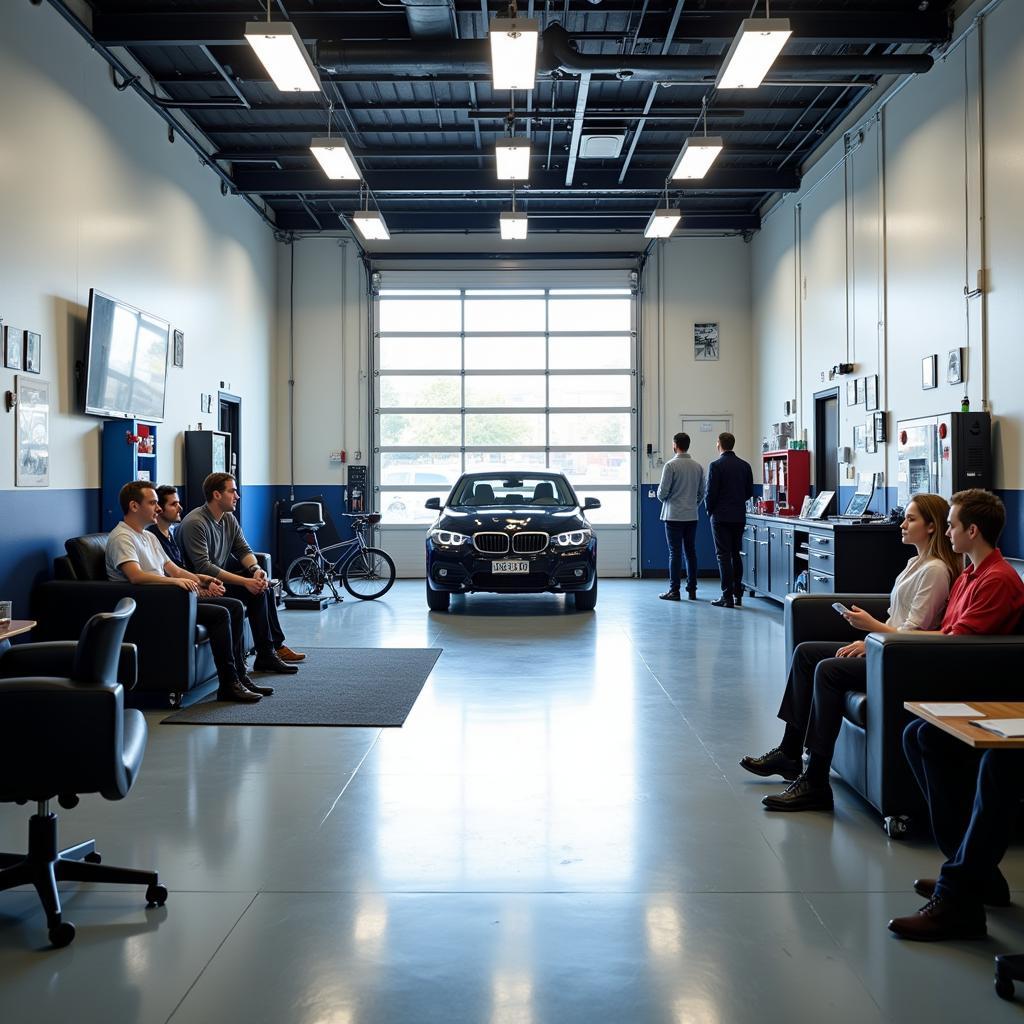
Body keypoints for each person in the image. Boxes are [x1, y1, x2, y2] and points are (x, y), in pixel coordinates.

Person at [740, 493, 961, 811]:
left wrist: (869, 629)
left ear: (931, 527)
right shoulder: (916, 563)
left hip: (899, 656)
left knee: (828, 670)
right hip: (885, 646)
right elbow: (897, 619)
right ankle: (789, 752)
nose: (902, 523)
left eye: (911, 519)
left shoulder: (935, 571)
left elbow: (912, 633)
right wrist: (870, 636)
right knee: (806, 653)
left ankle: (815, 781)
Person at [887, 490, 1024, 941]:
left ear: (973, 531)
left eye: (951, 525)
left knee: (990, 759)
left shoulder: (998, 580)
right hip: (967, 679)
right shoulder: (969, 575)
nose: (946, 531)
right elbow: (949, 631)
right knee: (918, 737)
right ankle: (975, 872)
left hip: (985, 688)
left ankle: (960, 889)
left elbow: (959, 641)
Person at [105, 480, 264, 704]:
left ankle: (238, 675)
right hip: (151, 604)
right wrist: (175, 583)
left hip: (169, 599)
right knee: (221, 614)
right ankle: (229, 684)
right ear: (134, 506)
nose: (158, 508)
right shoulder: (123, 537)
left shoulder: (148, 536)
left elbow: (175, 569)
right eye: (152, 503)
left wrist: (203, 579)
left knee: (235, 607)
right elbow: (136, 576)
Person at [148, 484, 275, 700]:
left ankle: (253, 665)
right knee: (230, 608)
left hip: (190, 590)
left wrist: (254, 570)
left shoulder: (163, 536)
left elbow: (179, 570)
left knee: (260, 590)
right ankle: (230, 681)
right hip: (174, 598)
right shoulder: (185, 526)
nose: (180, 508)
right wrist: (202, 586)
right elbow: (187, 570)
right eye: (174, 504)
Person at [178, 472, 304, 675]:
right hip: (204, 586)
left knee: (263, 588)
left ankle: (269, 652)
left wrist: (256, 570)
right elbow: (204, 567)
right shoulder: (195, 522)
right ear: (217, 495)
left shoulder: (228, 519)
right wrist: (245, 581)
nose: (237, 496)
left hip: (220, 582)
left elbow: (244, 550)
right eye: (233, 491)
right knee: (254, 590)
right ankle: (268, 653)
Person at [703, 432, 753, 608]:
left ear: (719, 444)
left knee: (722, 556)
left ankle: (726, 596)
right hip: (739, 515)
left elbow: (710, 493)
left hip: (720, 516)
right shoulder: (745, 466)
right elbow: (749, 492)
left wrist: (710, 511)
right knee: (736, 554)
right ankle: (738, 594)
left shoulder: (716, 466)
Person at [656, 432, 704, 601]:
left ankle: (674, 591)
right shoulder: (698, 466)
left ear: (675, 444)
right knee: (691, 552)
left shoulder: (670, 466)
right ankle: (692, 590)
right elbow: (701, 493)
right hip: (691, 516)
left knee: (674, 553)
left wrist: (667, 499)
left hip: (673, 516)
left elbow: (662, 493)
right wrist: (692, 504)